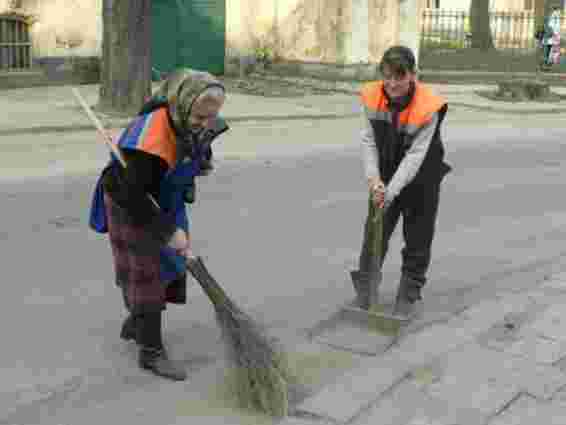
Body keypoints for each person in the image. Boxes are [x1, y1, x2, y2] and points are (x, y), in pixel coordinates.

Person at [88, 69, 229, 381]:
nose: (205, 125)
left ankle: (138, 321)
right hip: (130, 201)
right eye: (199, 119)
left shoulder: (191, 117)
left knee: (170, 266)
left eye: (211, 118)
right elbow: (133, 194)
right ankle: (150, 351)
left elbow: (196, 146)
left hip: (164, 195)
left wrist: (199, 162)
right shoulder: (150, 140)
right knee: (146, 273)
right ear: (182, 106)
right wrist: (167, 230)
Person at [357, 46, 451, 317]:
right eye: (387, 76)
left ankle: (409, 292)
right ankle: (366, 289)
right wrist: (375, 181)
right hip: (385, 169)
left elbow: (415, 155)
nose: (392, 83)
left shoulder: (428, 106)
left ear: (413, 75)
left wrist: (393, 191)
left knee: (417, 235)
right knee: (375, 229)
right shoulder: (372, 96)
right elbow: (369, 141)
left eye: (400, 76)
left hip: (422, 173)